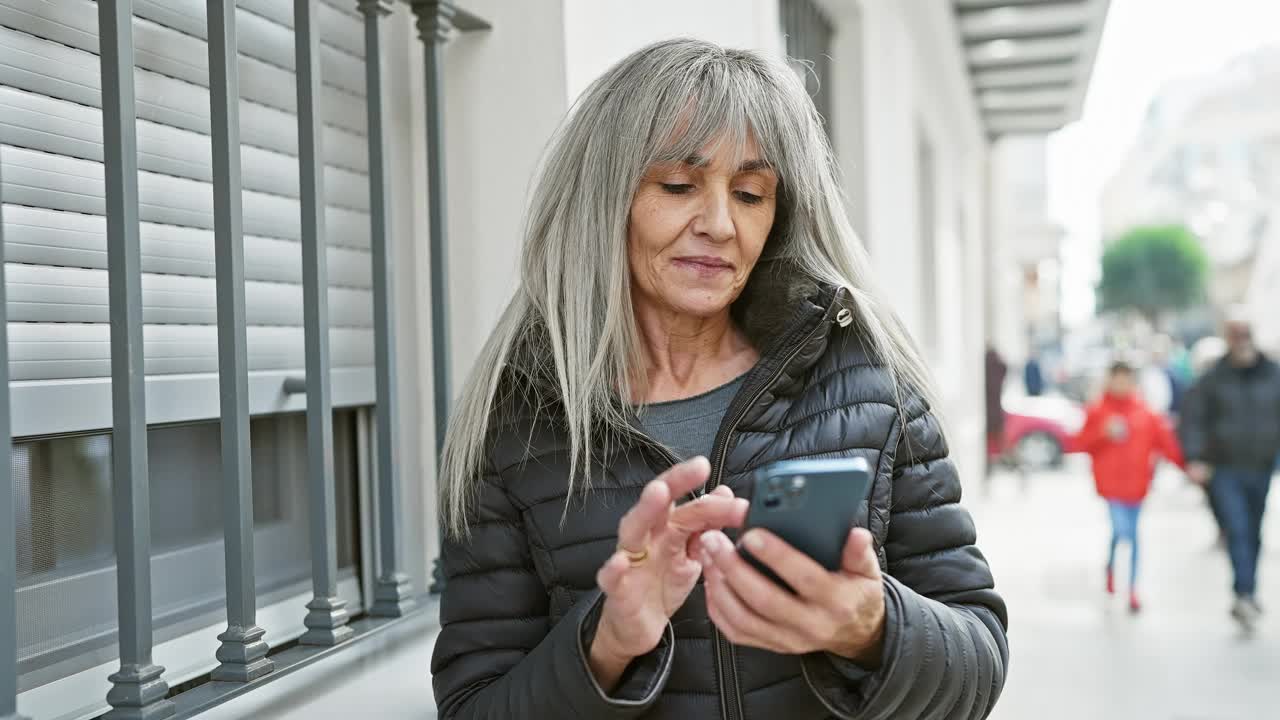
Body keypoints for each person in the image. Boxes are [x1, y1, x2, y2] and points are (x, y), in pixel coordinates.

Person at [429, 39, 1008, 720]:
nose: (719, 224)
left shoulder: (867, 381)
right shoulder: (516, 424)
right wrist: (607, 644)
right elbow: (472, 707)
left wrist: (871, 626)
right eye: (677, 185)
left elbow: (980, 661)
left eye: (751, 194)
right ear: (602, 199)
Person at [1180, 313, 1280, 630]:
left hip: (1261, 466)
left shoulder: (1272, 375)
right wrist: (1194, 457)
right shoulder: (1214, 379)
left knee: (1254, 530)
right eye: (1235, 336)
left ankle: (1248, 591)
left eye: (1245, 334)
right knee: (1236, 528)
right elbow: (1193, 418)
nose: (1242, 342)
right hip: (1225, 468)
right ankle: (1243, 593)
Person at [1070, 362, 1184, 613]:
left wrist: (1188, 467)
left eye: (1126, 379)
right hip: (1111, 487)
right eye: (1117, 379)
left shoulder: (1145, 413)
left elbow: (1166, 444)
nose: (1121, 384)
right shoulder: (1099, 411)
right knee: (1123, 532)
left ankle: (1132, 588)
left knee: (1131, 535)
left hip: (1138, 486)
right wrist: (1103, 433)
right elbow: (1079, 442)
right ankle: (1112, 570)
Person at [986, 344, 1009, 469]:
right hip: (996, 411)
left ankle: (991, 462)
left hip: (989, 412)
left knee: (990, 441)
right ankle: (995, 460)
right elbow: (1005, 368)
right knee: (996, 440)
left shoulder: (986, 371)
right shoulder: (999, 370)